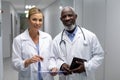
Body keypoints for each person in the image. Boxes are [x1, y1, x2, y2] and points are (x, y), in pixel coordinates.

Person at [50, 6, 104, 80]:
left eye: (70, 15)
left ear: (75, 16)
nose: (67, 18)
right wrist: (61, 65)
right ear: (61, 19)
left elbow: (99, 55)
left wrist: (86, 66)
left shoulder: (90, 36)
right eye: (64, 16)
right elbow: (52, 58)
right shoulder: (56, 40)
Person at [12, 7, 57, 80]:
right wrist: (27, 61)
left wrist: (53, 67)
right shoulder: (18, 40)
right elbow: (15, 64)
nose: (37, 23)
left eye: (40, 20)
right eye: (34, 19)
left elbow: (51, 57)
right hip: (28, 77)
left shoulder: (47, 37)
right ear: (28, 20)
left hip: (46, 77)